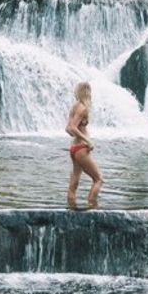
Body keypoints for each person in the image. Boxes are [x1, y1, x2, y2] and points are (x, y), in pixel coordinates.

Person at [65, 81, 103, 209]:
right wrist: (87, 140)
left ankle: (71, 209)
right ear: (87, 92)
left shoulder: (75, 107)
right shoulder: (83, 108)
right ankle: (92, 208)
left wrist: (78, 135)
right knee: (98, 179)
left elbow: (68, 129)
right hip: (81, 149)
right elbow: (73, 127)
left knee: (74, 183)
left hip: (74, 148)